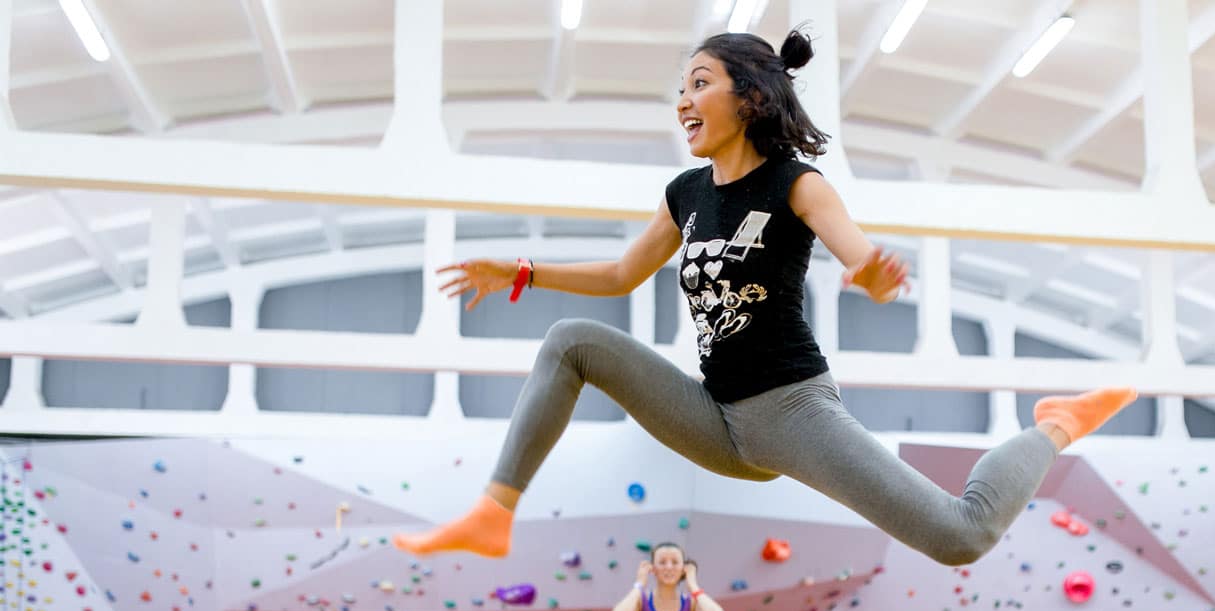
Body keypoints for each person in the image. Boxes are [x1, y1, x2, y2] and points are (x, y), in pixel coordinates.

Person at [394, 28, 1136, 567]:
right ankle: (495, 512)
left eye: (699, 83)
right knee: (571, 340)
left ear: (748, 97)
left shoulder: (796, 183)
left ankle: (1055, 426)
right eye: (680, 89)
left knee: (959, 536)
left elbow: (853, 248)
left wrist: (872, 275)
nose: (683, 101)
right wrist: (521, 270)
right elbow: (623, 274)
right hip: (715, 418)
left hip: (791, 410)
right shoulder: (685, 193)